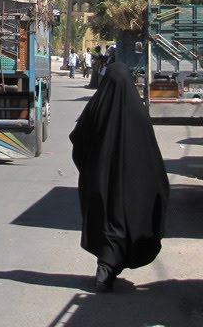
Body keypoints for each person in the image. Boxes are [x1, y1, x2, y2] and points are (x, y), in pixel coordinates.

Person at [69, 62, 169, 292]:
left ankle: (106, 267)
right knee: (125, 220)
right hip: (133, 188)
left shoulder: (97, 107)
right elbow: (152, 156)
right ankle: (109, 267)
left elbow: (79, 139)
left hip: (101, 182)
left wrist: (91, 168)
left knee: (106, 218)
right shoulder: (140, 114)